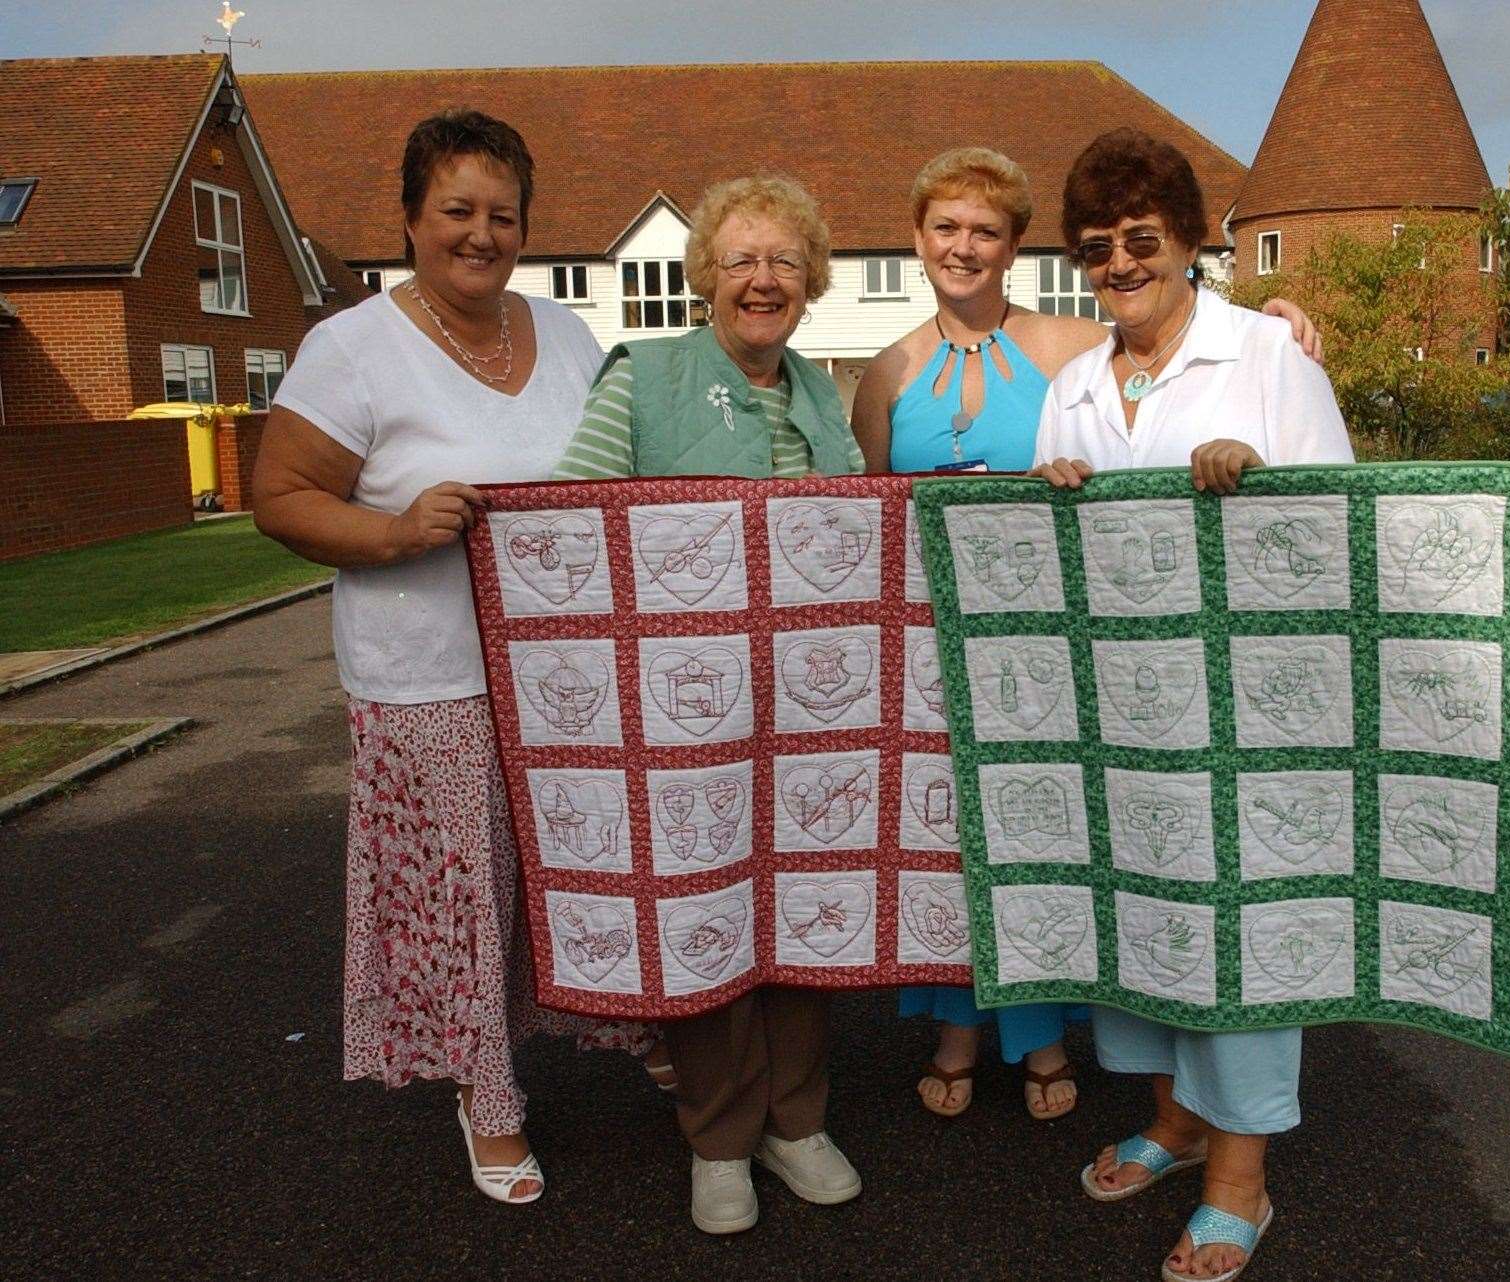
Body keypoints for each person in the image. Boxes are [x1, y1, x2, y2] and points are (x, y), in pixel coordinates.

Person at [849, 147, 1324, 1123]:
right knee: (1039, 871)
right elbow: (873, 508)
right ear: (916, 239)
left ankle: (1205, 1143)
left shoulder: (1098, 347)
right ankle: (1117, 1097)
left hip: (1169, 678)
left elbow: (1316, 501)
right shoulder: (925, 371)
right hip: (1017, 668)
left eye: (985, 229)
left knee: (1162, 889)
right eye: (944, 227)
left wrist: (1278, 339)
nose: (963, 246)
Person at [250, 109, 657, 1207]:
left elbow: (615, 477)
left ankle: (618, 1024)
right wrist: (391, 532)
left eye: (502, 215)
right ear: (412, 219)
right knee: (467, 897)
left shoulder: (566, 333)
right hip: (429, 672)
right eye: (457, 211)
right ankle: (487, 1096)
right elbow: (277, 499)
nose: (481, 234)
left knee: (572, 872)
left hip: (560, 674)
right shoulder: (350, 347)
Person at [1031, 128, 1354, 1282]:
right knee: (1145, 925)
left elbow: (1335, 538)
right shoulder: (1071, 385)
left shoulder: (1268, 359)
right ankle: (1173, 1123)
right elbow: (1049, 573)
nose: (1117, 263)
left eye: (1137, 239)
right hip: (1120, 723)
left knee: (1243, 943)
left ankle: (1239, 1182)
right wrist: (1050, 493)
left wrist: (1260, 485)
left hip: (1247, 726)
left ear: (1185, 240)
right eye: (1094, 248)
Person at [554, 174, 866, 1236]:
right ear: (705, 277)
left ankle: (796, 1119)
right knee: (706, 910)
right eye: (740, 260)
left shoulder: (820, 390)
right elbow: (576, 519)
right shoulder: (644, 375)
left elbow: (861, 536)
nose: (763, 280)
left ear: (811, 279)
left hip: (813, 705)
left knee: (803, 906)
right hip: (689, 710)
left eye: (784, 260)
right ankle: (720, 1137)